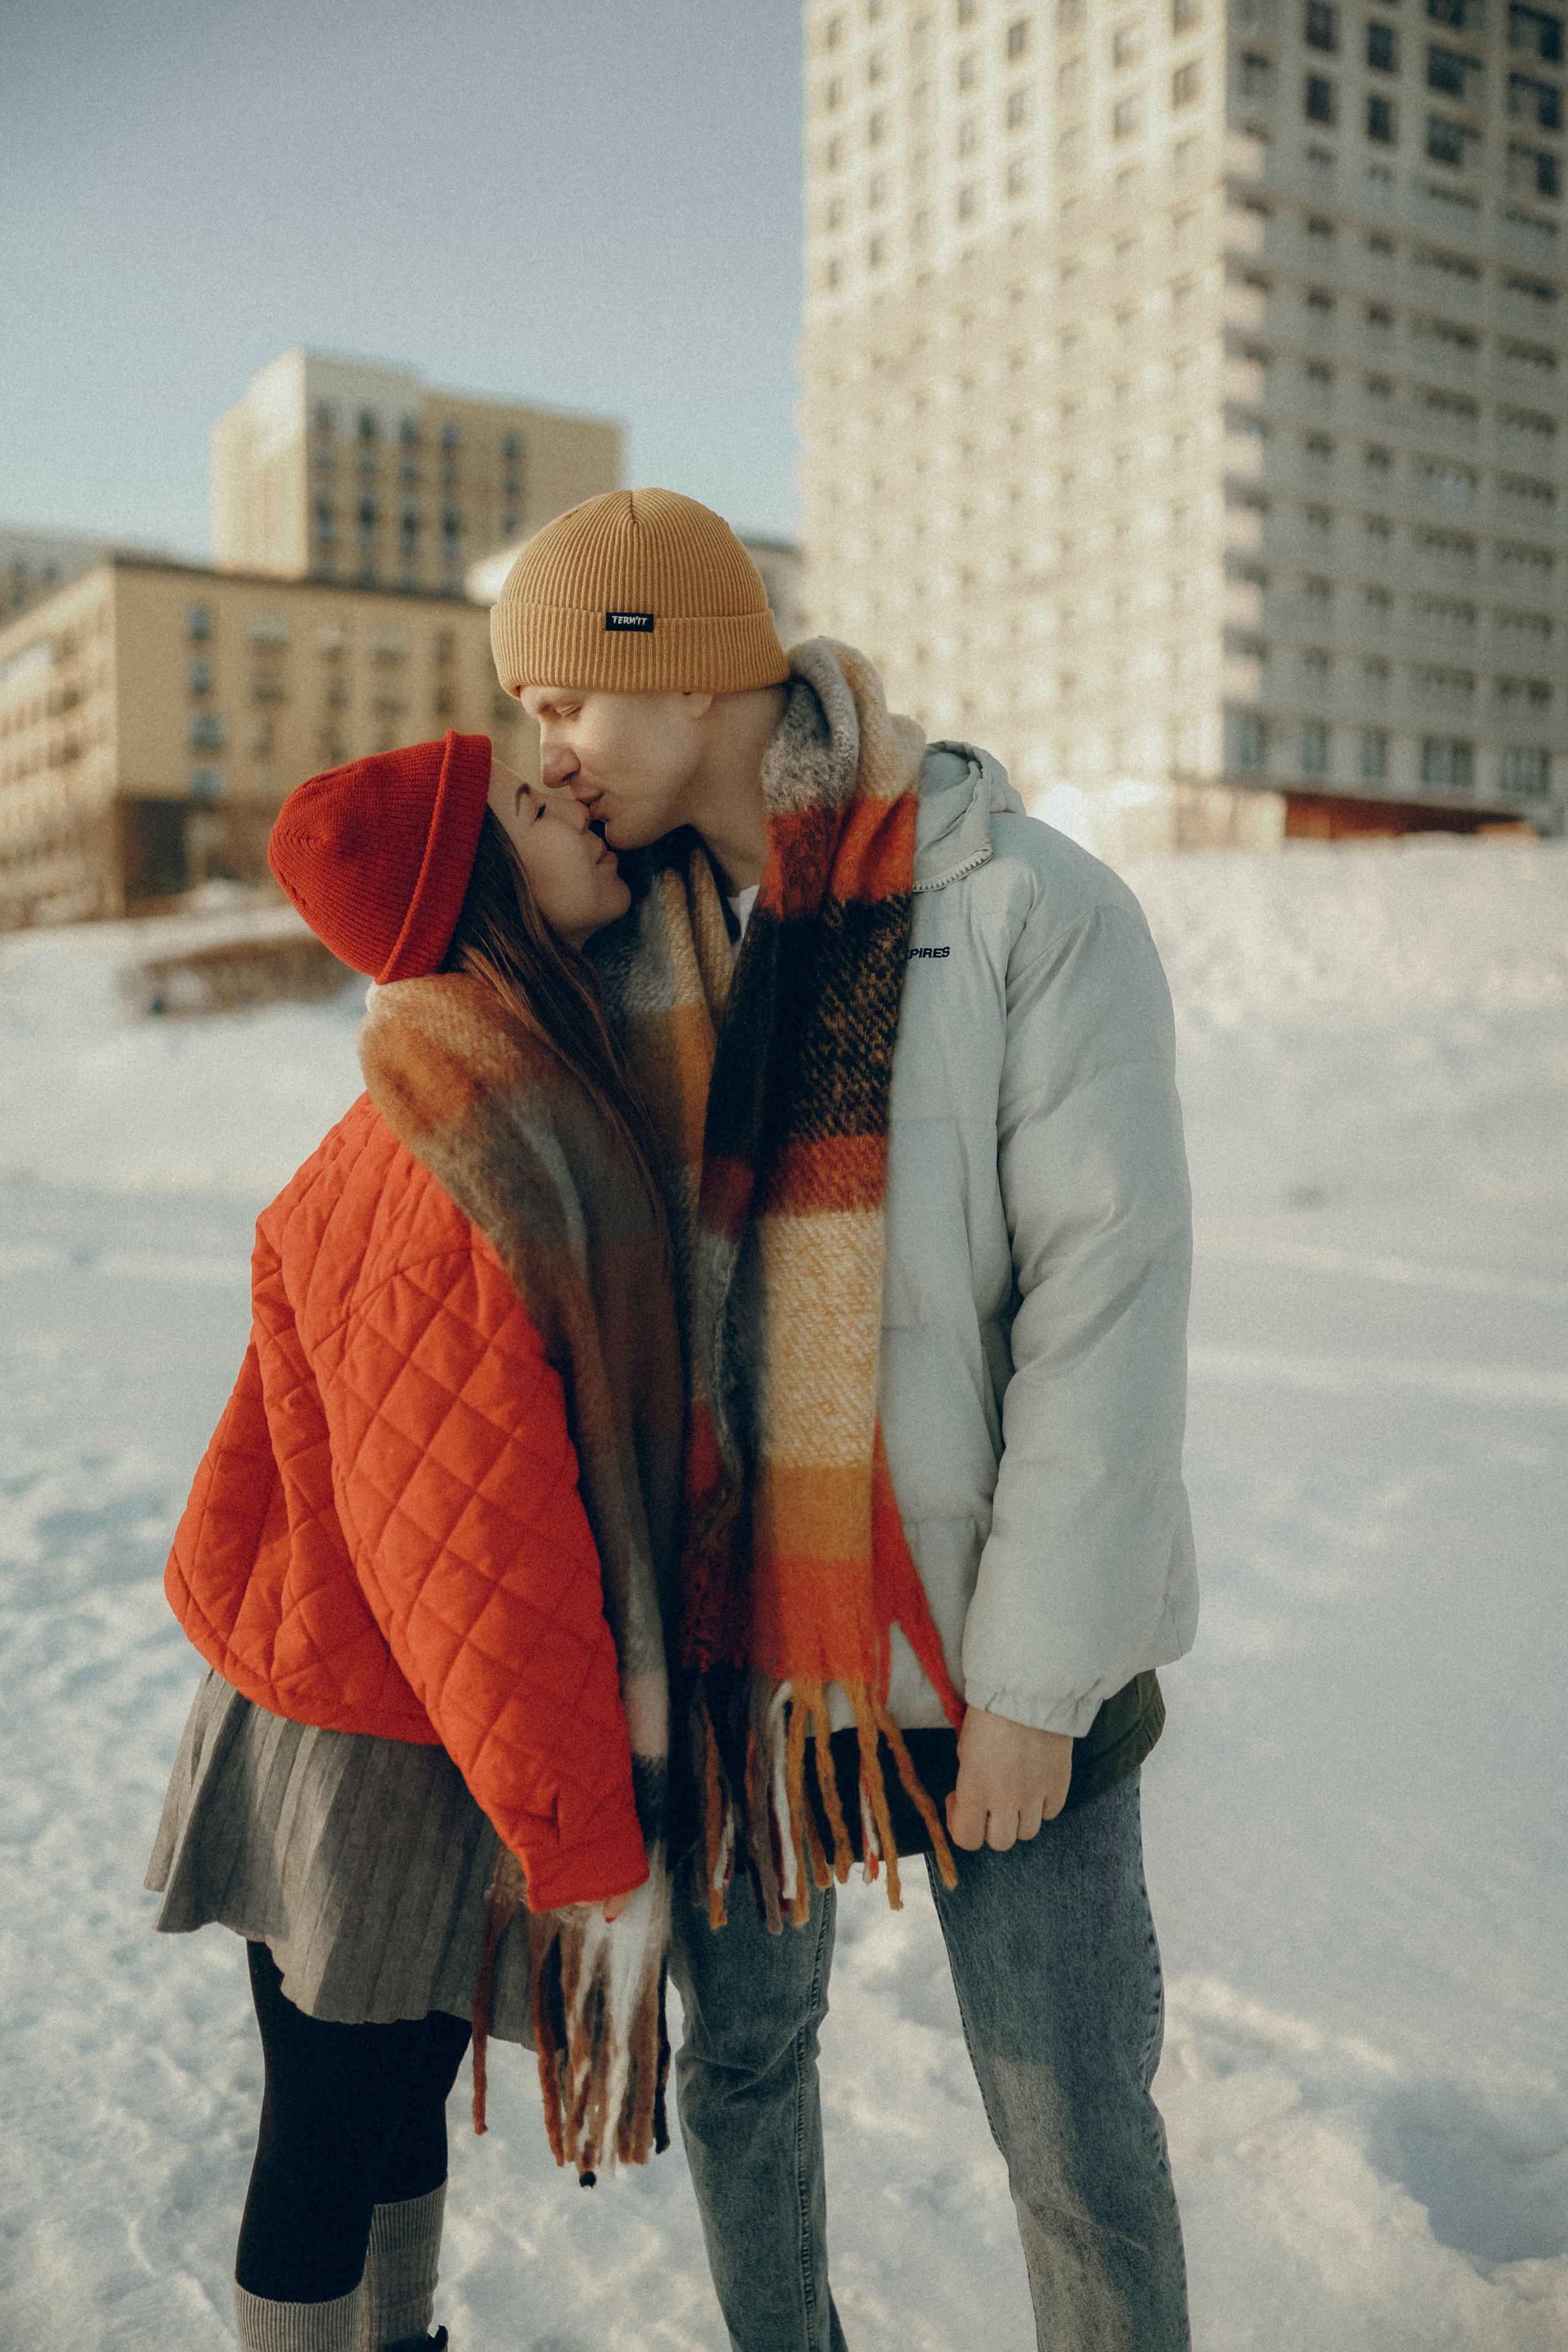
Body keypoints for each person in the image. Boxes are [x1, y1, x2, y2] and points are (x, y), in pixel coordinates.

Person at [486, 490, 1200, 2352]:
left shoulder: (1023, 902)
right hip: (740, 1673)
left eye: (569, 698)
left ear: (692, 667)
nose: (545, 749)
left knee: (1072, 2139)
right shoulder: (613, 946)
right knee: (744, 2086)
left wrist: (1037, 1688)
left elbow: (1105, 1316)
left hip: (986, 1660)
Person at [145, 730, 684, 2352]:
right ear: (475, 893)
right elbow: (482, 1568)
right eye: (532, 804)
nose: (574, 802)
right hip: (370, 1746)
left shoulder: (456, 1092)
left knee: (375, 2117)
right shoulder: (460, 1156)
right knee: (331, 2135)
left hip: (362, 1707)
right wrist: (588, 1846)